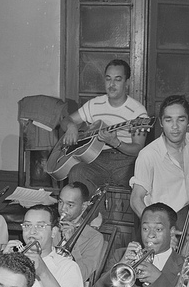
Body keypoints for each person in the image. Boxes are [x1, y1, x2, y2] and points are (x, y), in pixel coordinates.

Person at [130, 94, 189, 225]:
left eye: (181, 120)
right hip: (163, 224)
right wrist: (157, 228)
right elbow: (136, 200)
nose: (175, 126)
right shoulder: (148, 155)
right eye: (168, 120)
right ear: (161, 122)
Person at [60, 59, 149, 193]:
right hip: (96, 159)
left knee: (134, 178)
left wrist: (116, 142)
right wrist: (71, 127)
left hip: (125, 162)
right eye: (108, 79)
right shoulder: (94, 104)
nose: (111, 84)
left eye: (117, 79)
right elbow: (65, 120)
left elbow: (137, 149)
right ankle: (84, 213)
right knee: (77, 171)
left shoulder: (138, 112)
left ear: (127, 82)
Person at [55, 182, 104, 283]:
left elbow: (83, 275)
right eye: (60, 202)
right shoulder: (51, 227)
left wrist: (72, 243)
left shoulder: (94, 237)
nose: (63, 209)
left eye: (70, 204)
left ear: (84, 206)